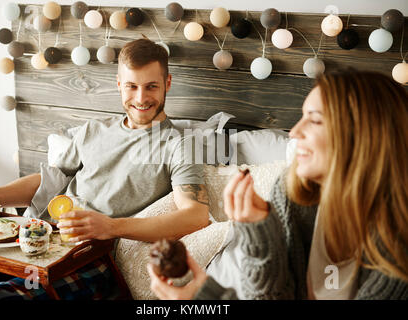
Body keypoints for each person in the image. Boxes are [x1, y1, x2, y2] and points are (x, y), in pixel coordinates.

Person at [0, 38, 210, 300]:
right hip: (37, 240)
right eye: (131, 86)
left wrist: (112, 227)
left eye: (151, 86)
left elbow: (195, 215)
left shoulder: (181, 145)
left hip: (89, 259)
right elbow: (49, 180)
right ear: (118, 85)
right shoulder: (93, 130)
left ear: (167, 83)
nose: (141, 97)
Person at [148, 70, 408, 300]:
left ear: (365, 138)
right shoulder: (292, 193)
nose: (294, 132)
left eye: (315, 120)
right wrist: (260, 234)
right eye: (301, 116)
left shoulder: (399, 245)